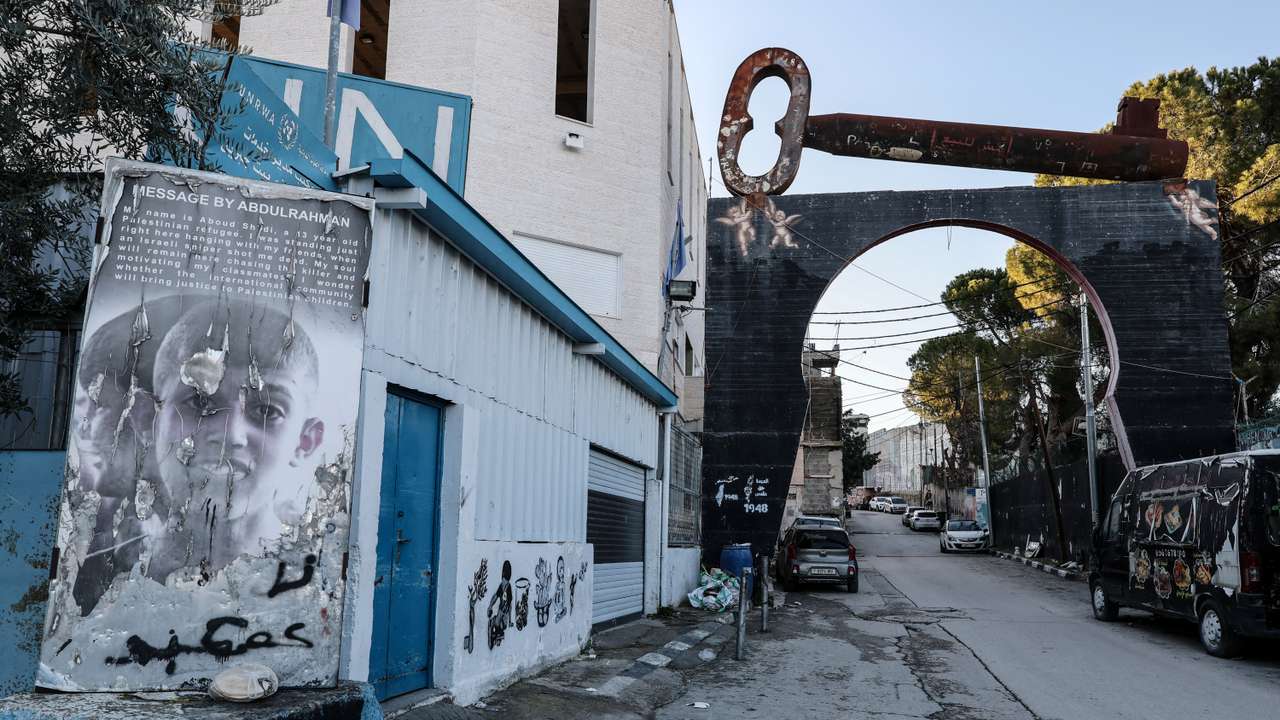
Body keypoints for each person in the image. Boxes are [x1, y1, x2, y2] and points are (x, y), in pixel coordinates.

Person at [146, 298, 323, 581]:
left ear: (305, 442)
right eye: (200, 402)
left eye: (266, 410)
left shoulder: (314, 582)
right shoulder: (106, 578)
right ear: (152, 422)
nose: (231, 434)